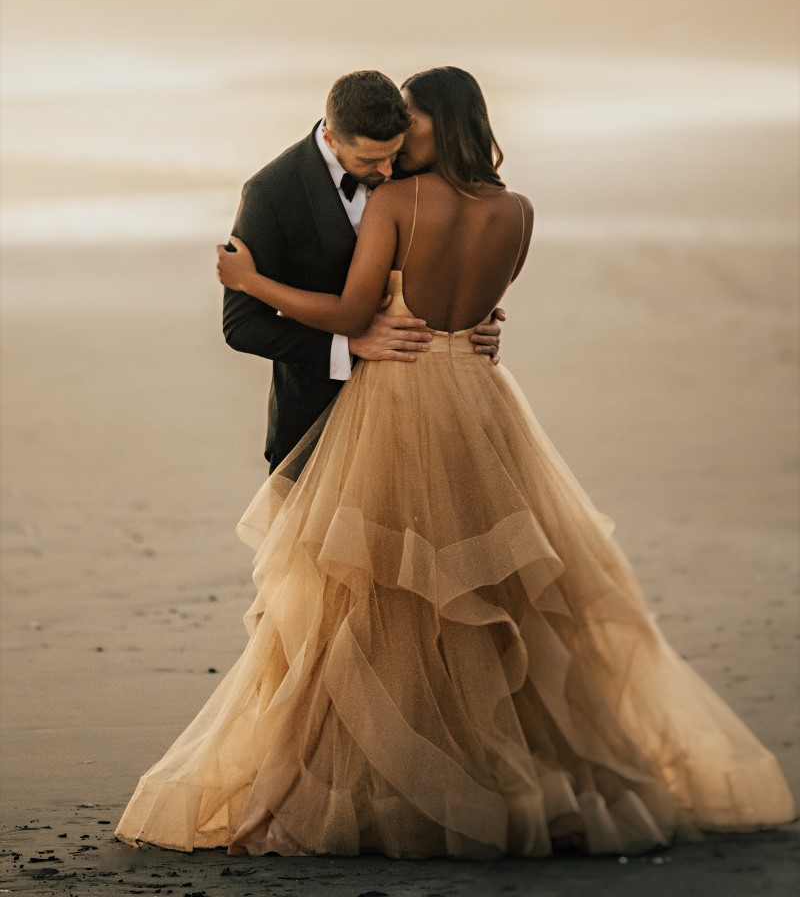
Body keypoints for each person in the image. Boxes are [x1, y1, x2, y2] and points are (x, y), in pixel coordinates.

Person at [115, 67, 796, 859]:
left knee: (368, 602)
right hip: (480, 405)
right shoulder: (517, 209)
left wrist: (252, 279)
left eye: (411, 119)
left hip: (397, 406)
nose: (400, 137)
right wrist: (462, 325)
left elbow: (351, 312)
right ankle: (506, 780)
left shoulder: (400, 201)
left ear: (439, 123)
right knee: (483, 598)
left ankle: (373, 788)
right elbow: (480, 301)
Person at [221, 69, 502, 472]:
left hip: (417, 413)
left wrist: (473, 321)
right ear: (332, 138)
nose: (389, 171)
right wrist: (347, 345)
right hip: (316, 418)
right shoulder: (271, 193)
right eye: (371, 161)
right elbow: (241, 326)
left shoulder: (409, 163)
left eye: (394, 154)